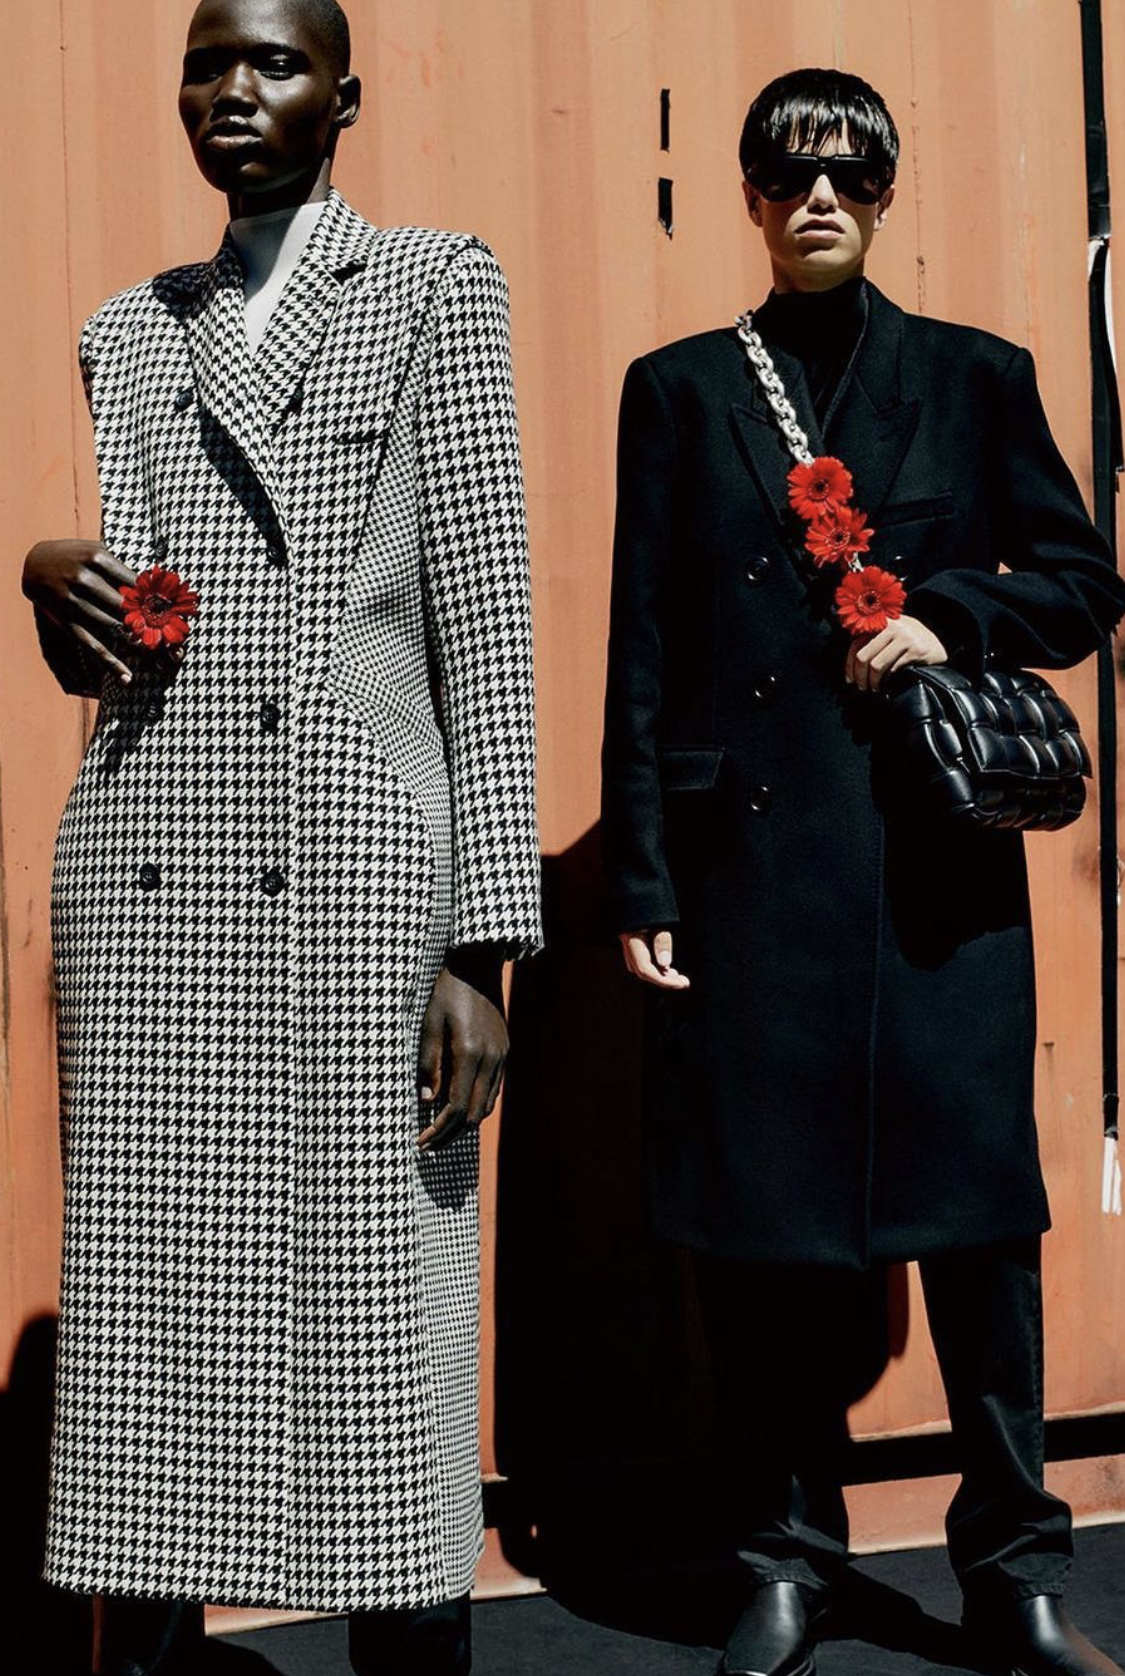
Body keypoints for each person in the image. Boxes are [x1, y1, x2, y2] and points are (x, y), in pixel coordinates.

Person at [22, 1, 541, 1672]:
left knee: (383, 1328)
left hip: (356, 868)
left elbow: (483, 619)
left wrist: (481, 945)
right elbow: (147, 616)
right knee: (151, 1329)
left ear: (343, 96)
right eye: (205, 64)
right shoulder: (129, 327)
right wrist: (54, 587)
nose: (232, 91)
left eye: (271, 62)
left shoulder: (433, 285)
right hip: (151, 864)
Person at [600, 66, 1125, 1676]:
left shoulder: (972, 375)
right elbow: (643, 645)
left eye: (846, 173)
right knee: (759, 1229)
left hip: (933, 882)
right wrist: (642, 879)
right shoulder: (678, 390)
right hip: (748, 877)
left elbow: (1081, 583)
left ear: (883, 195)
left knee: (978, 1229)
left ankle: (1015, 1569)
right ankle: (784, 1559)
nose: (816, 196)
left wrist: (948, 615)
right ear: (750, 199)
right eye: (786, 172)